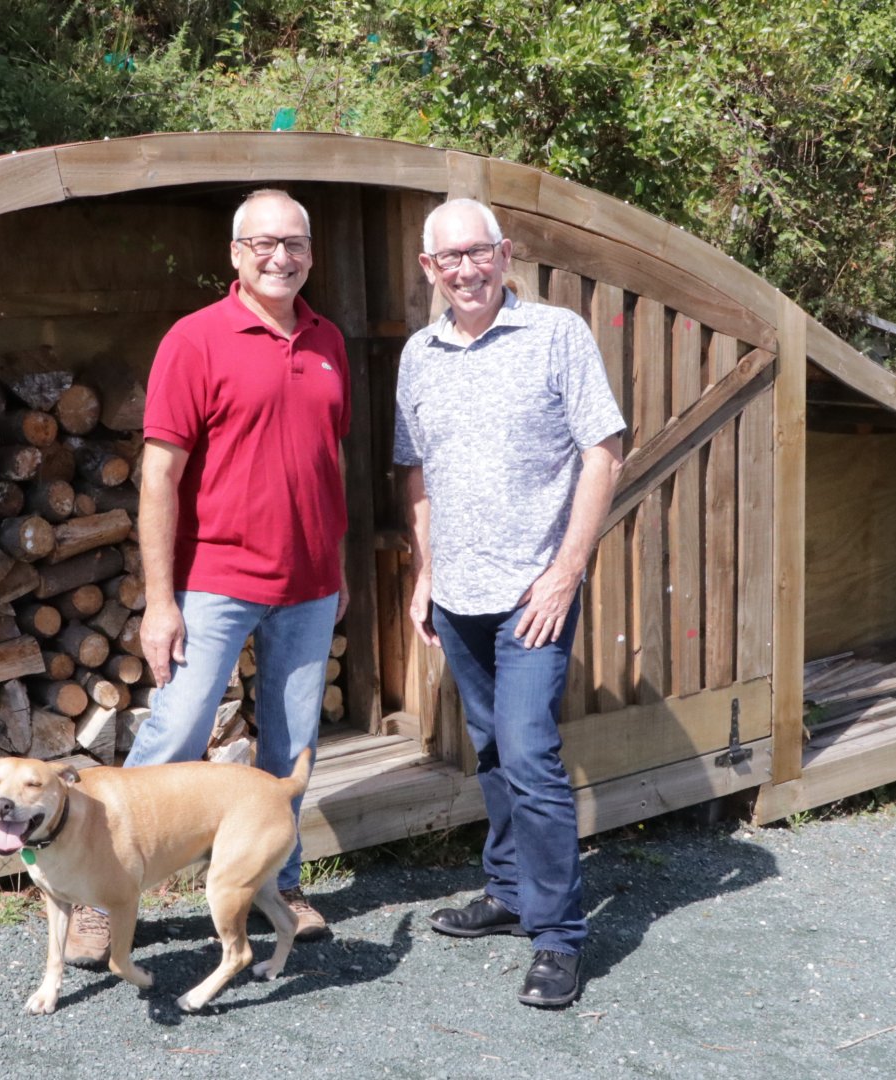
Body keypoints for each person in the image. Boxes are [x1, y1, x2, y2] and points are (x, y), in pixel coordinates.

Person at [64, 189, 351, 967]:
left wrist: (341, 565)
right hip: (217, 580)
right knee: (179, 727)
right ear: (234, 253)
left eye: (293, 243)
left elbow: (332, 463)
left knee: (294, 744)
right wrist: (161, 601)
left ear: (310, 253)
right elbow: (158, 477)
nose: (279, 256)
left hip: (311, 584)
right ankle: (98, 894)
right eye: (262, 243)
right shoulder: (195, 340)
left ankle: (277, 885)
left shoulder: (329, 340)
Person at [394, 198, 625, 1008]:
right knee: (490, 749)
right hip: (458, 595)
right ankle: (508, 891)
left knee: (529, 754)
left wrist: (566, 571)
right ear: (430, 270)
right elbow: (415, 470)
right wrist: (425, 571)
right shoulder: (418, 355)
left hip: (535, 594)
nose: (465, 269)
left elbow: (603, 452)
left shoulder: (556, 335)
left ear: (506, 253)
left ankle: (559, 935)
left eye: (478, 253)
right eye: (448, 259)